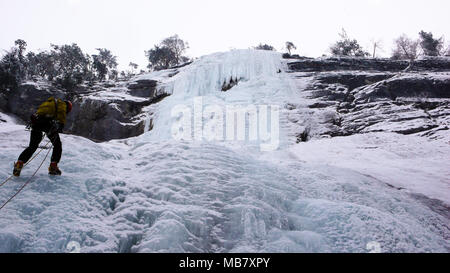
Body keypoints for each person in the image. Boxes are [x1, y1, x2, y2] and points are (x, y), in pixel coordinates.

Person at [13, 97, 72, 176]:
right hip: (48, 124)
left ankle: (19, 163)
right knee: (57, 145)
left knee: (32, 146)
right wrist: (61, 125)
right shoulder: (62, 104)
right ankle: (53, 167)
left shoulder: (49, 103)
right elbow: (61, 114)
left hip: (36, 122)